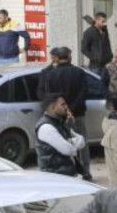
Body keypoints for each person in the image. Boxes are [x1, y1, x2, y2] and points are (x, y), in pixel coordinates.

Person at [36, 47, 92, 180]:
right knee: (81, 143)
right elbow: (84, 93)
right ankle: (85, 172)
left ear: (57, 58)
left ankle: (70, 170)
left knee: (63, 143)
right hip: (77, 114)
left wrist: (64, 109)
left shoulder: (50, 74)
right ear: (69, 56)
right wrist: (70, 109)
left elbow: (48, 96)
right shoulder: (79, 72)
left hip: (58, 116)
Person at [35, 95, 87, 176]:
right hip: (54, 176)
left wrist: (70, 142)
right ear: (53, 107)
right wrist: (72, 142)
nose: (66, 107)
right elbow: (67, 150)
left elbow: (82, 140)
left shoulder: (59, 122)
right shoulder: (46, 127)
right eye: (63, 104)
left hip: (66, 173)